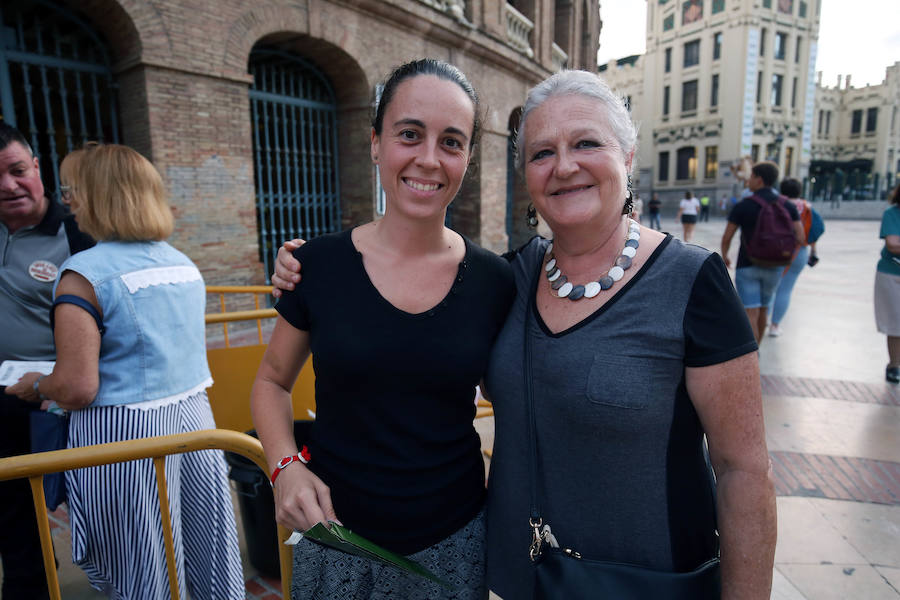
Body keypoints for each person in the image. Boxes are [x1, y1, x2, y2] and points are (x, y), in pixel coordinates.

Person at [273, 69, 777, 600]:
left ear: (627, 157)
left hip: (645, 580)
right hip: (520, 577)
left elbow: (743, 469)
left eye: (586, 143)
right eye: (541, 153)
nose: (564, 166)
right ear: (527, 177)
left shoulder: (692, 280)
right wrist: (307, 268)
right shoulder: (512, 276)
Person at [252, 59, 515, 599]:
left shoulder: (494, 279)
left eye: (451, 142)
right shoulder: (316, 266)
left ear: (468, 157)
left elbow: (511, 395)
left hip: (454, 541)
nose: (428, 158)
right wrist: (284, 467)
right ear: (375, 143)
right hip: (337, 538)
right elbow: (271, 382)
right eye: (409, 134)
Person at [8, 144, 245, 599]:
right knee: (203, 548)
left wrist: (35, 384)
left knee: (139, 559)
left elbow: (77, 386)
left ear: (96, 197)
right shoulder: (183, 264)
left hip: (124, 439)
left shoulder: (83, 274)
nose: (69, 200)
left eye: (73, 189)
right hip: (195, 426)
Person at [0, 122, 93, 599]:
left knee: (78, 507)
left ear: (36, 167)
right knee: (14, 516)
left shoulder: (77, 232)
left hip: (49, 399)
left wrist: (54, 387)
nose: (7, 185)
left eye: (17, 170)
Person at [720, 161, 804, 342]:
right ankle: (758, 347)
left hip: (747, 264)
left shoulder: (744, 205)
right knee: (764, 308)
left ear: (759, 179)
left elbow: (727, 236)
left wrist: (725, 255)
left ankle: (753, 355)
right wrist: (788, 257)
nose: (748, 180)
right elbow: (801, 236)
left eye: (751, 176)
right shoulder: (787, 205)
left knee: (750, 310)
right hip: (775, 265)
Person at [768, 178, 818, 337]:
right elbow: (812, 233)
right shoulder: (807, 207)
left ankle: (760, 325)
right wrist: (813, 252)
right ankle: (775, 326)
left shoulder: (776, 204)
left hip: (776, 250)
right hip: (799, 251)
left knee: (769, 289)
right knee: (786, 289)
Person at [875, 184, 900, 383]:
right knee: (896, 323)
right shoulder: (893, 213)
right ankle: (894, 365)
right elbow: (892, 244)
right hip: (893, 274)